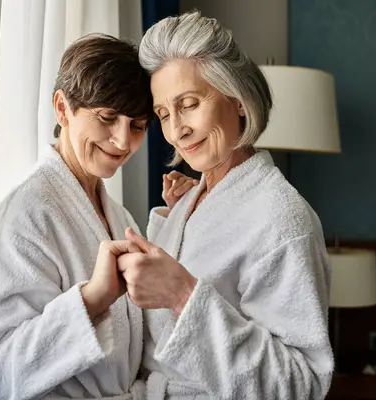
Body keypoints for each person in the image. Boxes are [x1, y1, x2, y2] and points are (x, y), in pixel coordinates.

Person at [115, 11, 334, 399]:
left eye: (190, 103)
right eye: (164, 114)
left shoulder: (282, 219)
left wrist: (184, 295)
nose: (176, 129)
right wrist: (171, 220)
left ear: (238, 100)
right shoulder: (196, 199)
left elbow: (302, 384)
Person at [0, 34, 196, 400]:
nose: (123, 142)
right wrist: (92, 298)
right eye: (107, 118)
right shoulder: (27, 216)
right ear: (62, 108)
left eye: (137, 126)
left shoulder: (116, 214)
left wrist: (177, 219)